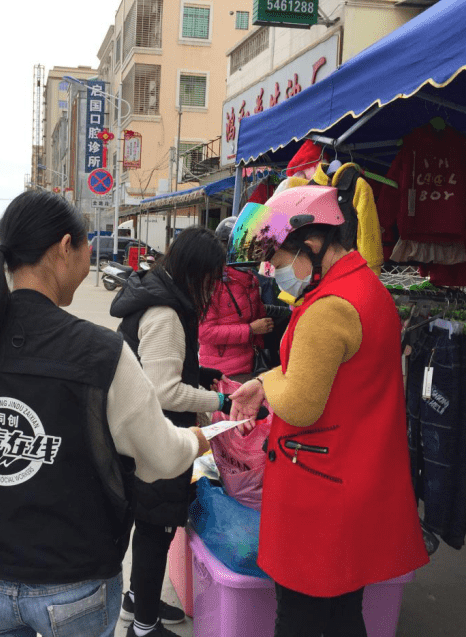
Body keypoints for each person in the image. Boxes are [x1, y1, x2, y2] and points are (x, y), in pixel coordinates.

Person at [0, 190, 210, 637]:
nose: (90, 258)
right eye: (88, 245)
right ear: (64, 248)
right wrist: (198, 440)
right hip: (72, 583)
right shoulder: (99, 351)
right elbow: (163, 458)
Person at [228, 185, 429, 637]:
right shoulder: (367, 288)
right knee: (341, 611)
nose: (273, 272)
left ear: (311, 245)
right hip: (350, 475)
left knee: (298, 617)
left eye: (278, 261)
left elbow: (298, 403)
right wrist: (267, 382)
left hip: (318, 488)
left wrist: (265, 380)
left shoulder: (328, 309)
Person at [110, 226, 229, 637]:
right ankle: (144, 625)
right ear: (197, 272)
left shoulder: (158, 293)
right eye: (212, 278)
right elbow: (165, 391)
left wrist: (202, 373)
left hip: (135, 433)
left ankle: (135, 598)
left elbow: (157, 367)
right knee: (154, 528)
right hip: (152, 440)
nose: (214, 288)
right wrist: (219, 404)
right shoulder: (165, 314)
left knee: (147, 523)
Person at [199, 216, 273, 382]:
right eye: (242, 248)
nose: (249, 253)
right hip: (222, 373)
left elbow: (258, 317)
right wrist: (250, 330)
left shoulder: (251, 279)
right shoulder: (213, 282)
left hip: (251, 367)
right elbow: (205, 333)